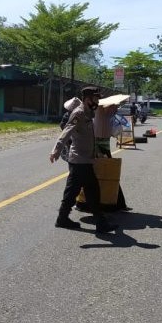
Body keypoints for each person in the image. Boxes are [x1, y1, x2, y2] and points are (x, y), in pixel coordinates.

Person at [50, 86, 117, 234]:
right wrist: (56, 150)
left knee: (75, 191)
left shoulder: (89, 113)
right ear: (87, 99)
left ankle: (63, 219)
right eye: (95, 98)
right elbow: (67, 131)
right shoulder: (79, 113)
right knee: (91, 191)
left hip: (85, 159)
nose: (97, 101)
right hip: (79, 160)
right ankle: (100, 222)